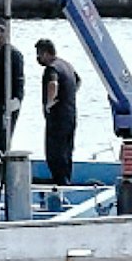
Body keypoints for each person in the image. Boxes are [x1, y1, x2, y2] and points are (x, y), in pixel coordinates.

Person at [0, 15, 28, 166]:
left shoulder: (14, 54)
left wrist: (17, 99)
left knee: (4, 138)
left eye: (1, 31)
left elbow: (20, 80)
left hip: (9, 103)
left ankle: (2, 170)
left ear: (7, 32)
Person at [35, 38, 82, 184]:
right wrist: (68, 94)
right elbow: (78, 80)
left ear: (46, 53)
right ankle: (65, 179)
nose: (38, 58)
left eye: (39, 54)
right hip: (70, 115)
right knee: (67, 151)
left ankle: (60, 181)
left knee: (54, 152)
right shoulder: (67, 65)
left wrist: (50, 103)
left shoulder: (52, 68)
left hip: (57, 118)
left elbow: (53, 83)